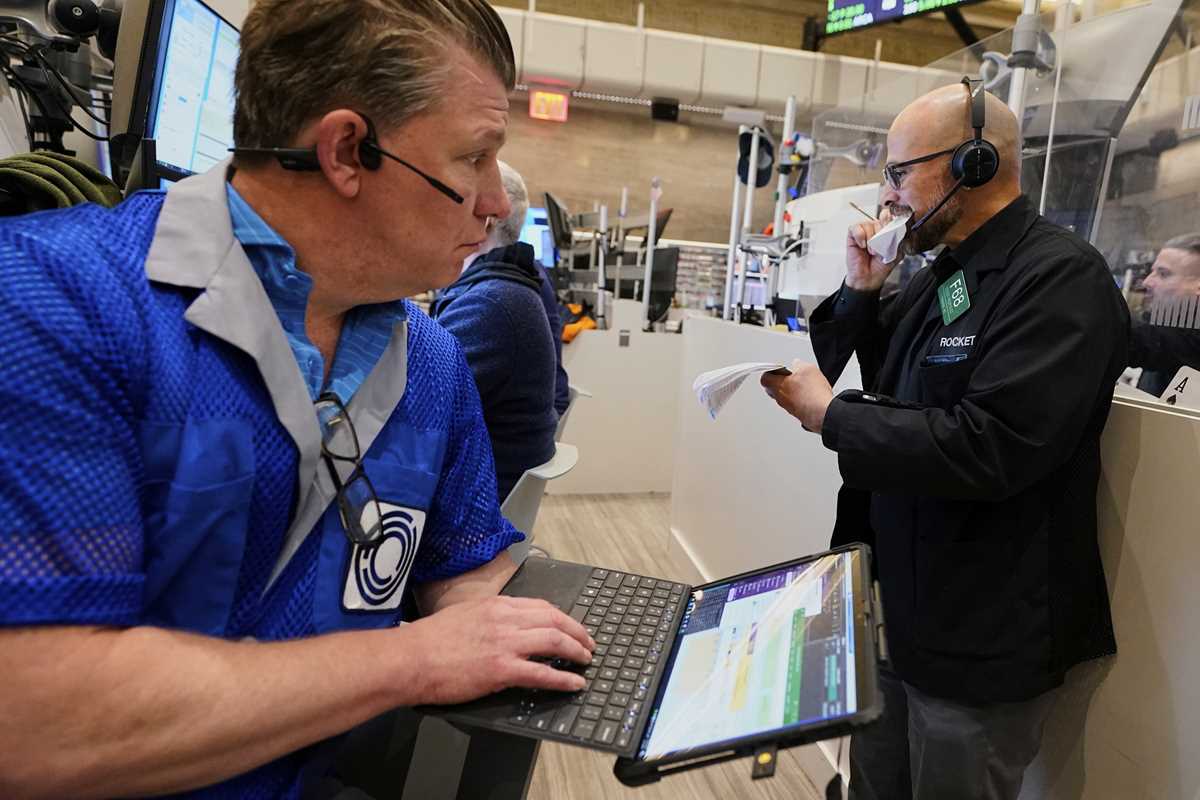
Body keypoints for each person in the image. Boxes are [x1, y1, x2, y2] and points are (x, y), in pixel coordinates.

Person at [0, 2, 594, 798]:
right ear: (347, 150)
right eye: (474, 159)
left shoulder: (432, 362)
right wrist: (412, 659)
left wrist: (563, 637)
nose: (495, 204)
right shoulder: (53, 304)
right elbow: (38, 720)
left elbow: (466, 563)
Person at [761, 81, 1128, 800]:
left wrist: (832, 418)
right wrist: (863, 288)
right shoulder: (948, 274)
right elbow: (869, 372)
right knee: (872, 786)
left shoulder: (1059, 279)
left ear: (974, 163)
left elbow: (991, 446)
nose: (888, 194)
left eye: (900, 172)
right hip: (896, 603)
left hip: (979, 632)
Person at [430, 161, 561, 500]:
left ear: (486, 218)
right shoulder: (502, 292)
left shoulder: (491, 305)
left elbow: (416, 406)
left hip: (470, 502)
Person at [1130, 233, 1200, 396]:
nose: (1147, 282)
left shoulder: (1190, 341)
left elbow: (1138, 339)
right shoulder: (1164, 324)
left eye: (1163, 274)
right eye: (1152, 271)